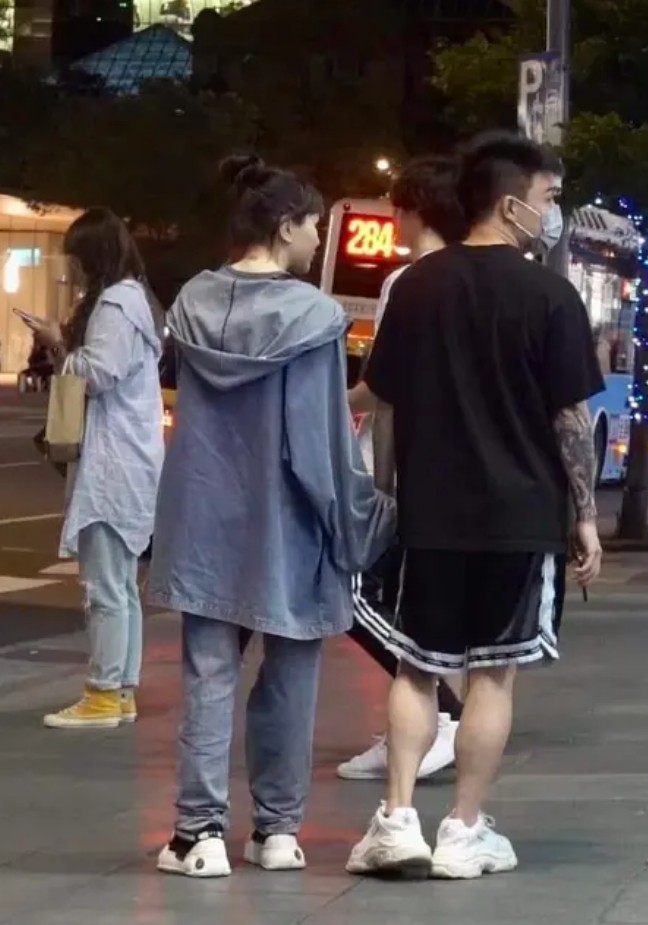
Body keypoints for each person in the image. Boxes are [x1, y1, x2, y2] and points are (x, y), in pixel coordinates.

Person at [346, 131, 604, 879]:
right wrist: (584, 516)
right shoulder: (549, 295)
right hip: (520, 518)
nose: (552, 213)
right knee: (492, 677)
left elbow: (382, 396)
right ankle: (463, 830)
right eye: (548, 197)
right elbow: (569, 419)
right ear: (511, 202)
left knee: (415, 669)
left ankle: (396, 821)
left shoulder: (416, 287)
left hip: (430, 515)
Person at [148, 155, 396, 879]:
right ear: (285, 226)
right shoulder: (314, 317)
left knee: (208, 675)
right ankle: (278, 832)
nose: (318, 239)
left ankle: (197, 835)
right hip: (289, 521)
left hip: (203, 517)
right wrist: (354, 518)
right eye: (314, 224)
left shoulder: (191, 302)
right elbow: (320, 442)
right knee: (290, 677)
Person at [339, 155, 467, 782]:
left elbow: (384, 387)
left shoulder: (408, 281)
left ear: (411, 210)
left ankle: (439, 717)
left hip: (402, 465)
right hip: (460, 469)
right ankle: (420, 725)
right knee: (419, 604)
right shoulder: (480, 277)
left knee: (354, 595)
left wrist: (332, 405)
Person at [31, 208, 164, 729]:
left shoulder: (114, 304)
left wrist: (58, 344)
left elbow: (98, 374)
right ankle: (121, 690)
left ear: (93, 256)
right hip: (132, 458)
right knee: (122, 586)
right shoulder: (138, 301)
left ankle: (104, 693)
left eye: (76, 258)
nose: (72, 268)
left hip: (112, 464)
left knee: (105, 587)